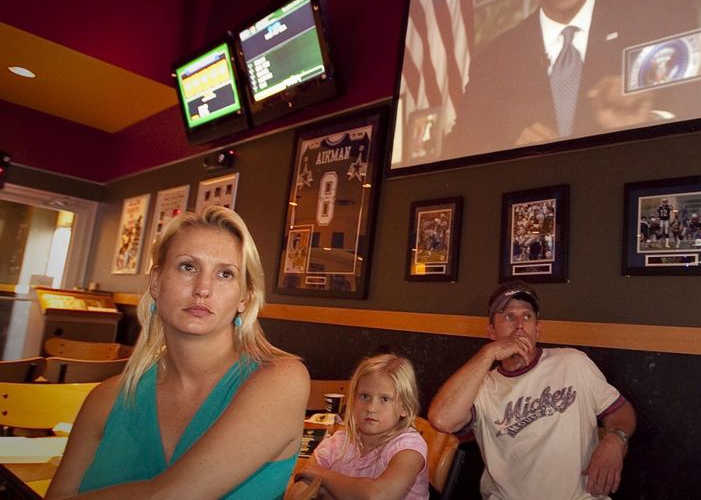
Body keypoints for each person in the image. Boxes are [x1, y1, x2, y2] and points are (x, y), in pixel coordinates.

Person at [47, 206, 310, 499]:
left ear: (244, 298)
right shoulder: (105, 400)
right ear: (156, 282)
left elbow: (169, 496)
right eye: (188, 267)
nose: (203, 288)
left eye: (225, 274)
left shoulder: (281, 380)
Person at [445, 0, 694, 156]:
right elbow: (457, 145)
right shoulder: (494, 57)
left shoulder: (661, 6)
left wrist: (648, 120)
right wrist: (510, 153)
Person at [428, 282, 636, 499]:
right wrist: (486, 355)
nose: (519, 325)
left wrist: (615, 439)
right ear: (491, 331)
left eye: (527, 316)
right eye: (508, 317)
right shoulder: (481, 386)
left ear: (537, 329)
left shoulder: (573, 363)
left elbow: (621, 412)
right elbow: (442, 419)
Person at [287, 353, 428, 500]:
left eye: (385, 399)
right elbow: (302, 483)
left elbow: (379, 496)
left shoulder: (409, 447)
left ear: (404, 407)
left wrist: (322, 476)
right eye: (365, 396)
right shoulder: (340, 441)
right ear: (353, 399)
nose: (371, 408)